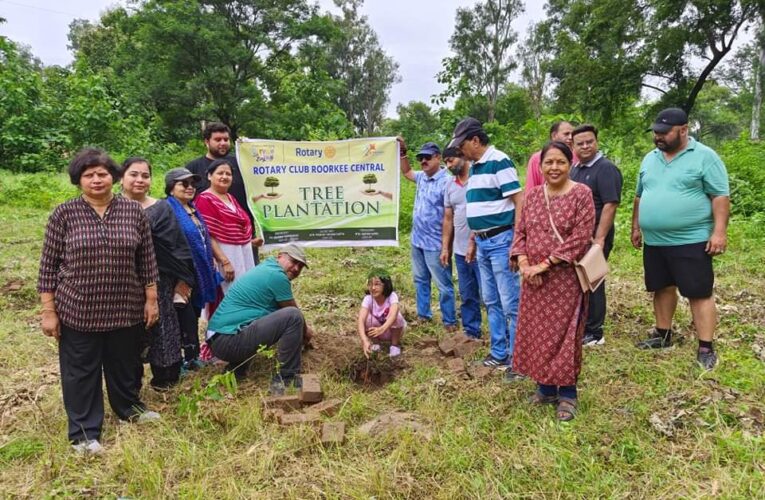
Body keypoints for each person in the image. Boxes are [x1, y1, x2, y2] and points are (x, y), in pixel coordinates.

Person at [38, 148, 160, 454]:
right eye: (88, 175)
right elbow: (47, 266)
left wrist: (151, 299)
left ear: (113, 177)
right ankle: (83, 434)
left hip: (125, 306)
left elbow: (146, 259)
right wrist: (48, 311)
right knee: (81, 372)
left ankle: (129, 408)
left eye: (102, 173)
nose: (96, 179)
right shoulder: (64, 214)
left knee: (125, 364)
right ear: (78, 180)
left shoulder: (133, 212)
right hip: (78, 309)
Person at [632, 108, 730, 370]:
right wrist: (636, 227)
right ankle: (663, 334)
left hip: (691, 239)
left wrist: (719, 232)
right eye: (656, 132)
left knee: (698, 292)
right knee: (661, 287)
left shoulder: (705, 157)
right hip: (655, 241)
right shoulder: (650, 159)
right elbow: (640, 196)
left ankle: (706, 347)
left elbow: (719, 196)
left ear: (684, 130)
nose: (658, 137)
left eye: (664, 132)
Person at [510, 141, 595, 421]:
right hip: (533, 281)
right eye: (549, 162)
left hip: (564, 280)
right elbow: (520, 231)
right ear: (540, 165)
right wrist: (524, 264)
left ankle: (568, 394)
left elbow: (581, 238)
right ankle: (545, 388)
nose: (554, 167)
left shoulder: (582, 194)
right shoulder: (533, 196)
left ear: (569, 164)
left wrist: (543, 265)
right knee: (537, 334)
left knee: (564, 335)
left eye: (560, 162)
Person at [448, 117, 522, 375]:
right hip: (482, 242)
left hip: (502, 240)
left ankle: (518, 358)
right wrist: (472, 241)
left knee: (510, 301)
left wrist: (518, 242)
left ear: (475, 141)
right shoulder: (476, 167)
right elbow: (477, 209)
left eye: (462, 144)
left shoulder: (499, 161)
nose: (460, 151)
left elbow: (518, 201)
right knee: (490, 300)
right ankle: (499, 352)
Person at [121, 157, 196, 389]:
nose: (140, 180)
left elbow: (177, 245)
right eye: (134, 174)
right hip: (124, 282)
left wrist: (183, 279)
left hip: (161, 279)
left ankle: (165, 378)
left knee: (163, 327)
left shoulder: (161, 208)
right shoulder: (112, 208)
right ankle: (129, 383)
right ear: (121, 177)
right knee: (128, 332)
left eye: (145, 175)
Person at [205, 244, 315, 394]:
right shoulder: (276, 276)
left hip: (219, 338)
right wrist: (306, 333)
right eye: (293, 262)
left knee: (259, 321)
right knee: (293, 316)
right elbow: (293, 312)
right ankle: (286, 380)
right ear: (280, 256)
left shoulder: (266, 268)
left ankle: (235, 371)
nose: (296, 268)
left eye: (300, 266)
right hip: (226, 340)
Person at [165, 167, 225, 370]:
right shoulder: (168, 210)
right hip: (181, 275)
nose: (190, 187)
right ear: (171, 188)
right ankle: (183, 359)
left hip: (199, 272)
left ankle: (193, 357)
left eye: (193, 184)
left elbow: (203, 239)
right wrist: (179, 277)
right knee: (184, 317)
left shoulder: (192, 208)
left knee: (194, 314)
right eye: (184, 183)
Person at [570, 124, 623, 346]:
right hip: (577, 235)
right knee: (578, 279)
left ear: (596, 142)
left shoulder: (605, 169)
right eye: (580, 143)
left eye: (589, 142)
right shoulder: (575, 169)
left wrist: (600, 238)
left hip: (596, 234)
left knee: (594, 279)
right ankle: (582, 323)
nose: (585, 146)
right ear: (573, 146)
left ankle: (595, 331)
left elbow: (610, 204)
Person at [399, 139, 457, 332]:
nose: (423, 161)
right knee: (420, 279)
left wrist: (446, 246)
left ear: (438, 158)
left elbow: (450, 216)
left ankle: (449, 321)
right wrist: (403, 152)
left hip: (436, 243)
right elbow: (407, 172)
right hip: (418, 240)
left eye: (427, 157)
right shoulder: (422, 177)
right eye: (421, 158)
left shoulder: (448, 181)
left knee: (444, 284)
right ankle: (423, 315)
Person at [185, 122, 261, 263]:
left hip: (244, 233)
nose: (223, 143)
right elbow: (183, 200)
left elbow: (262, 171)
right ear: (206, 142)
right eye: (218, 140)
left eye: (226, 139)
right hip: (212, 236)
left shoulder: (241, 162)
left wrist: (248, 148)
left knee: (249, 275)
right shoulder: (193, 167)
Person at [195, 159, 261, 295]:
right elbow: (207, 235)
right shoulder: (205, 199)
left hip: (242, 255)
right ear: (209, 176)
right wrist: (224, 262)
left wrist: (251, 242)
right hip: (224, 257)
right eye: (220, 173)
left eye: (228, 174)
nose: (224, 177)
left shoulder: (230, 197)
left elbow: (236, 229)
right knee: (229, 295)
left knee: (244, 292)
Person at [440, 146, 482, 339]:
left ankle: (504, 336)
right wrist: (445, 247)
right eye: (446, 162)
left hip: (482, 248)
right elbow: (448, 218)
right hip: (459, 249)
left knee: (490, 296)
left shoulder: (479, 178)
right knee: (467, 294)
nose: (449, 165)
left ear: (463, 157)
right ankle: (471, 331)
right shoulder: (449, 185)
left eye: (451, 160)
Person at [357, 269, 407, 358]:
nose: (373, 288)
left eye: (377, 284)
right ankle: (376, 344)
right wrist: (364, 340)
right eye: (370, 284)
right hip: (377, 332)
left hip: (393, 330)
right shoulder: (368, 299)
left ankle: (394, 345)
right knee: (367, 318)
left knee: (398, 317)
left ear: (386, 285)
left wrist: (382, 329)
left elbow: (394, 314)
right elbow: (361, 320)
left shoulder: (392, 296)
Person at [525, 121, 578, 190]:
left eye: (572, 134)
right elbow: (531, 189)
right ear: (554, 136)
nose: (571, 137)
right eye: (566, 134)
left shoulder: (577, 156)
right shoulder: (536, 158)